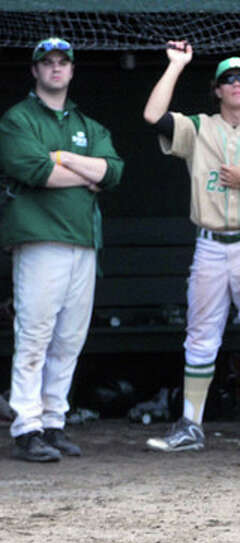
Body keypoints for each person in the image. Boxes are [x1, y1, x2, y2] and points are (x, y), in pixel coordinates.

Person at [143, 43, 240, 452]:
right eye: (228, 79)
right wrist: (176, 65)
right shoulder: (200, 128)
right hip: (210, 244)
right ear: (217, 90)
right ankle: (191, 426)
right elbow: (153, 116)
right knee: (200, 337)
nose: (236, 84)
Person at [0, 37, 124, 462]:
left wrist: (64, 158)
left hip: (83, 244)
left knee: (69, 339)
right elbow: (35, 170)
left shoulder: (87, 124)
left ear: (71, 70)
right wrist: (86, 171)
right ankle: (27, 426)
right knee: (34, 336)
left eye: (62, 63)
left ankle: (53, 422)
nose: (56, 68)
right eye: (47, 62)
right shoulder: (18, 119)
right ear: (35, 70)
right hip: (39, 241)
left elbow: (113, 172)